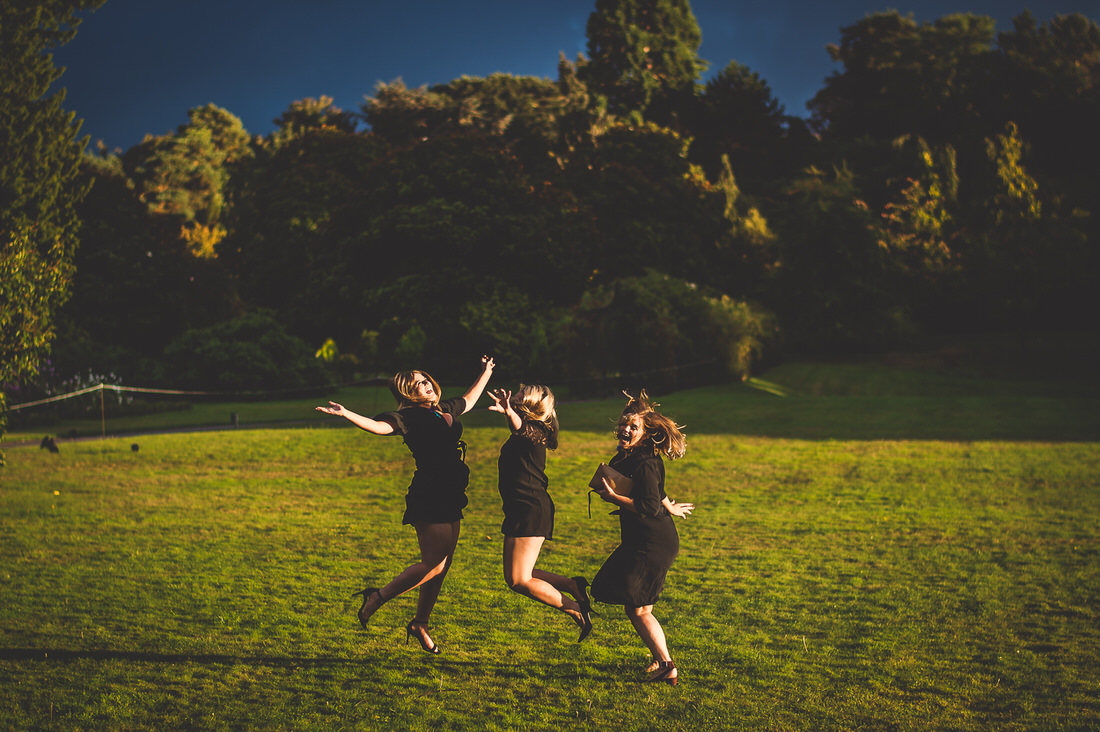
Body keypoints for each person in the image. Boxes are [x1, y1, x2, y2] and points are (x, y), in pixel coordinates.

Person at [315, 356, 495, 654]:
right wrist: (347, 414)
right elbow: (378, 427)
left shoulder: (442, 410)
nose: (425, 385)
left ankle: (420, 623)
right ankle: (377, 596)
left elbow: (469, 400)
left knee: (443, 564)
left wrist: (486, 372)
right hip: (430, 492)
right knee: (433, 563)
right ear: (408, 393)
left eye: (426, 380)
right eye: (418, 384)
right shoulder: (407, 417)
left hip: (452, 491)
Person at [591, 390, 695, 685]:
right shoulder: (630, 456)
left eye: (633, 427)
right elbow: (657, 494)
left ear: (645, 433)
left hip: (653, 543)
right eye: (624, 424)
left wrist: (613, 497)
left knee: (636, 607)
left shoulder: (646, 462)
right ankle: (658, 657)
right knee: (640, 607)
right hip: (644, 539)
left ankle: (667, 665)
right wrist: (669, 504)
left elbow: (648, 505)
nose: (626, 429)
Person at [487, 385, 593, 642]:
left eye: (525, 392)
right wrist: (510, 411)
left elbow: (519, 428)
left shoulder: (537, 431)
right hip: (520, 508)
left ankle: (576, 609)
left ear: (533, 403)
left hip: (530, 509)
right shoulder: (532, 430)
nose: (520, 391)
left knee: (519, 580)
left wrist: (508, 411)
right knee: (516, 577)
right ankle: (571, 585)